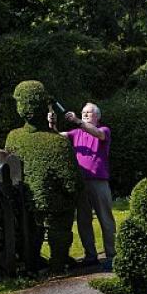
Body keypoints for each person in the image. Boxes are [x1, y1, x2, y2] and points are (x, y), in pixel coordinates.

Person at [48, 103, 116, 267]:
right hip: (81, 183)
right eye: (83, 112)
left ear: (97, 116)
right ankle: (90, 256)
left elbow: (97, 133)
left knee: (105, 219)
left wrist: (78, 120)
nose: (85, 114)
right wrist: (52, 124)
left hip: (99, 182)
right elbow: (56, 138)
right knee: (83, 220)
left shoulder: (104, 130)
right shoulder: (75, 133)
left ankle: (111, 255)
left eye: (89, 113)